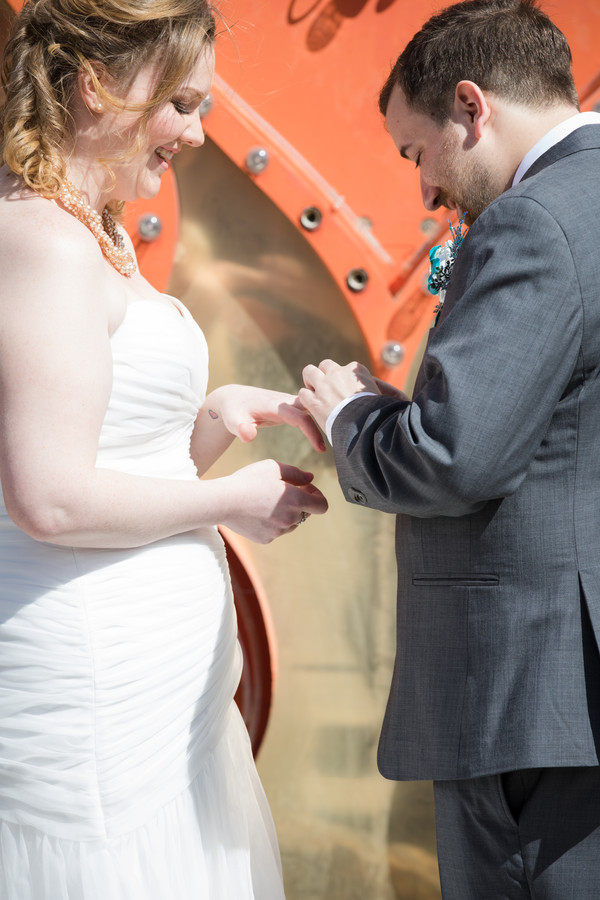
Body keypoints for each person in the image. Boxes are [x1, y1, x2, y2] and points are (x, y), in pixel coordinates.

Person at [0, 0, 329, 897]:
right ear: (96, 84)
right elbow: (50, 498)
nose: (193, 131)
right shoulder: (43, 244)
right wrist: (230, 502)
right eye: (181, 103)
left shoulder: (96, 233)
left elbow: (109, 462)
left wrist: (215, 418)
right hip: (93, 709)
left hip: (156, 710)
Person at [299, 0, 600, 896]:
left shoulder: (535, 221)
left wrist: (353, 415)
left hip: (527, 700)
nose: (424, 187)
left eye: (415, 150)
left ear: (472, 107)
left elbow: (457, 455)